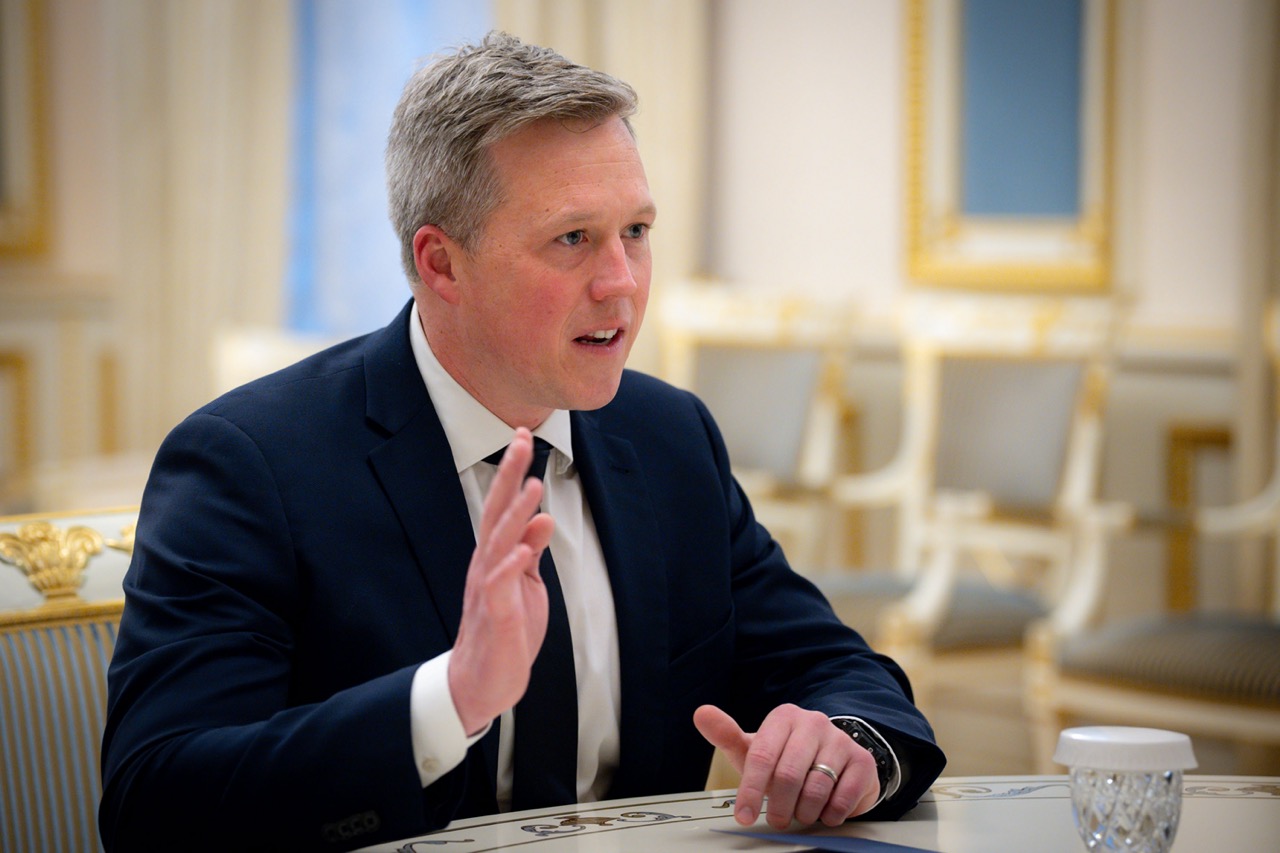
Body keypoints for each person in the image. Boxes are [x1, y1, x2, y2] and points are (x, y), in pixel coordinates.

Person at [100, 30, 945, 851]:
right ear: (442, 264)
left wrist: (848, 744)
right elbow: (157, 800)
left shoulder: (670, 439)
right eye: (572, 239)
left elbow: (838, 670)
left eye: (637, 232)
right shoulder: (251, 464)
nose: (621, 282)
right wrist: (449, 700)